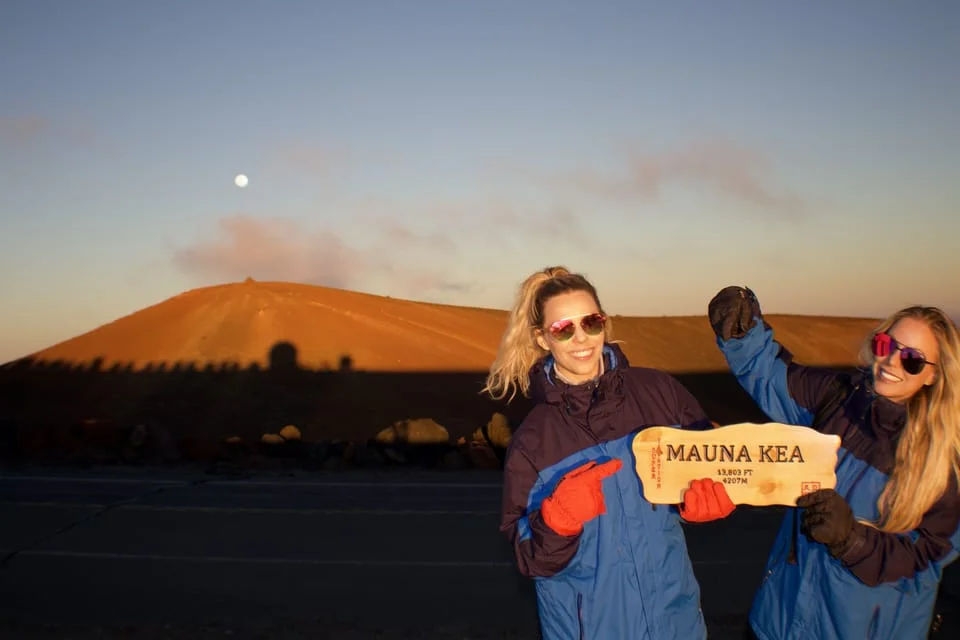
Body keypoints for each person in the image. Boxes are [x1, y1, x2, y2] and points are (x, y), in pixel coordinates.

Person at [484, 266, 736, 640]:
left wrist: (704, 501)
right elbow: (530, 559)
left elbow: (712, 467)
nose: (581, 338)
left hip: (675, 620)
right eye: (563, 329)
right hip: (591, 627)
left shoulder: (660, 393)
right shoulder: (533, 441)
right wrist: (558, 522)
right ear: (541, 339)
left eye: (591, 322)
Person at [707, 285, 960, 640]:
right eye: (886, 345)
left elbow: (925, 561)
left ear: (934, 374)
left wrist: (851, 540)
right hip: (776, 623)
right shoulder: (839, 398)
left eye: (912, 359)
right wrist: (741, 333)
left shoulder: (946, 462)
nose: (890, 362)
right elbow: (775, 378)